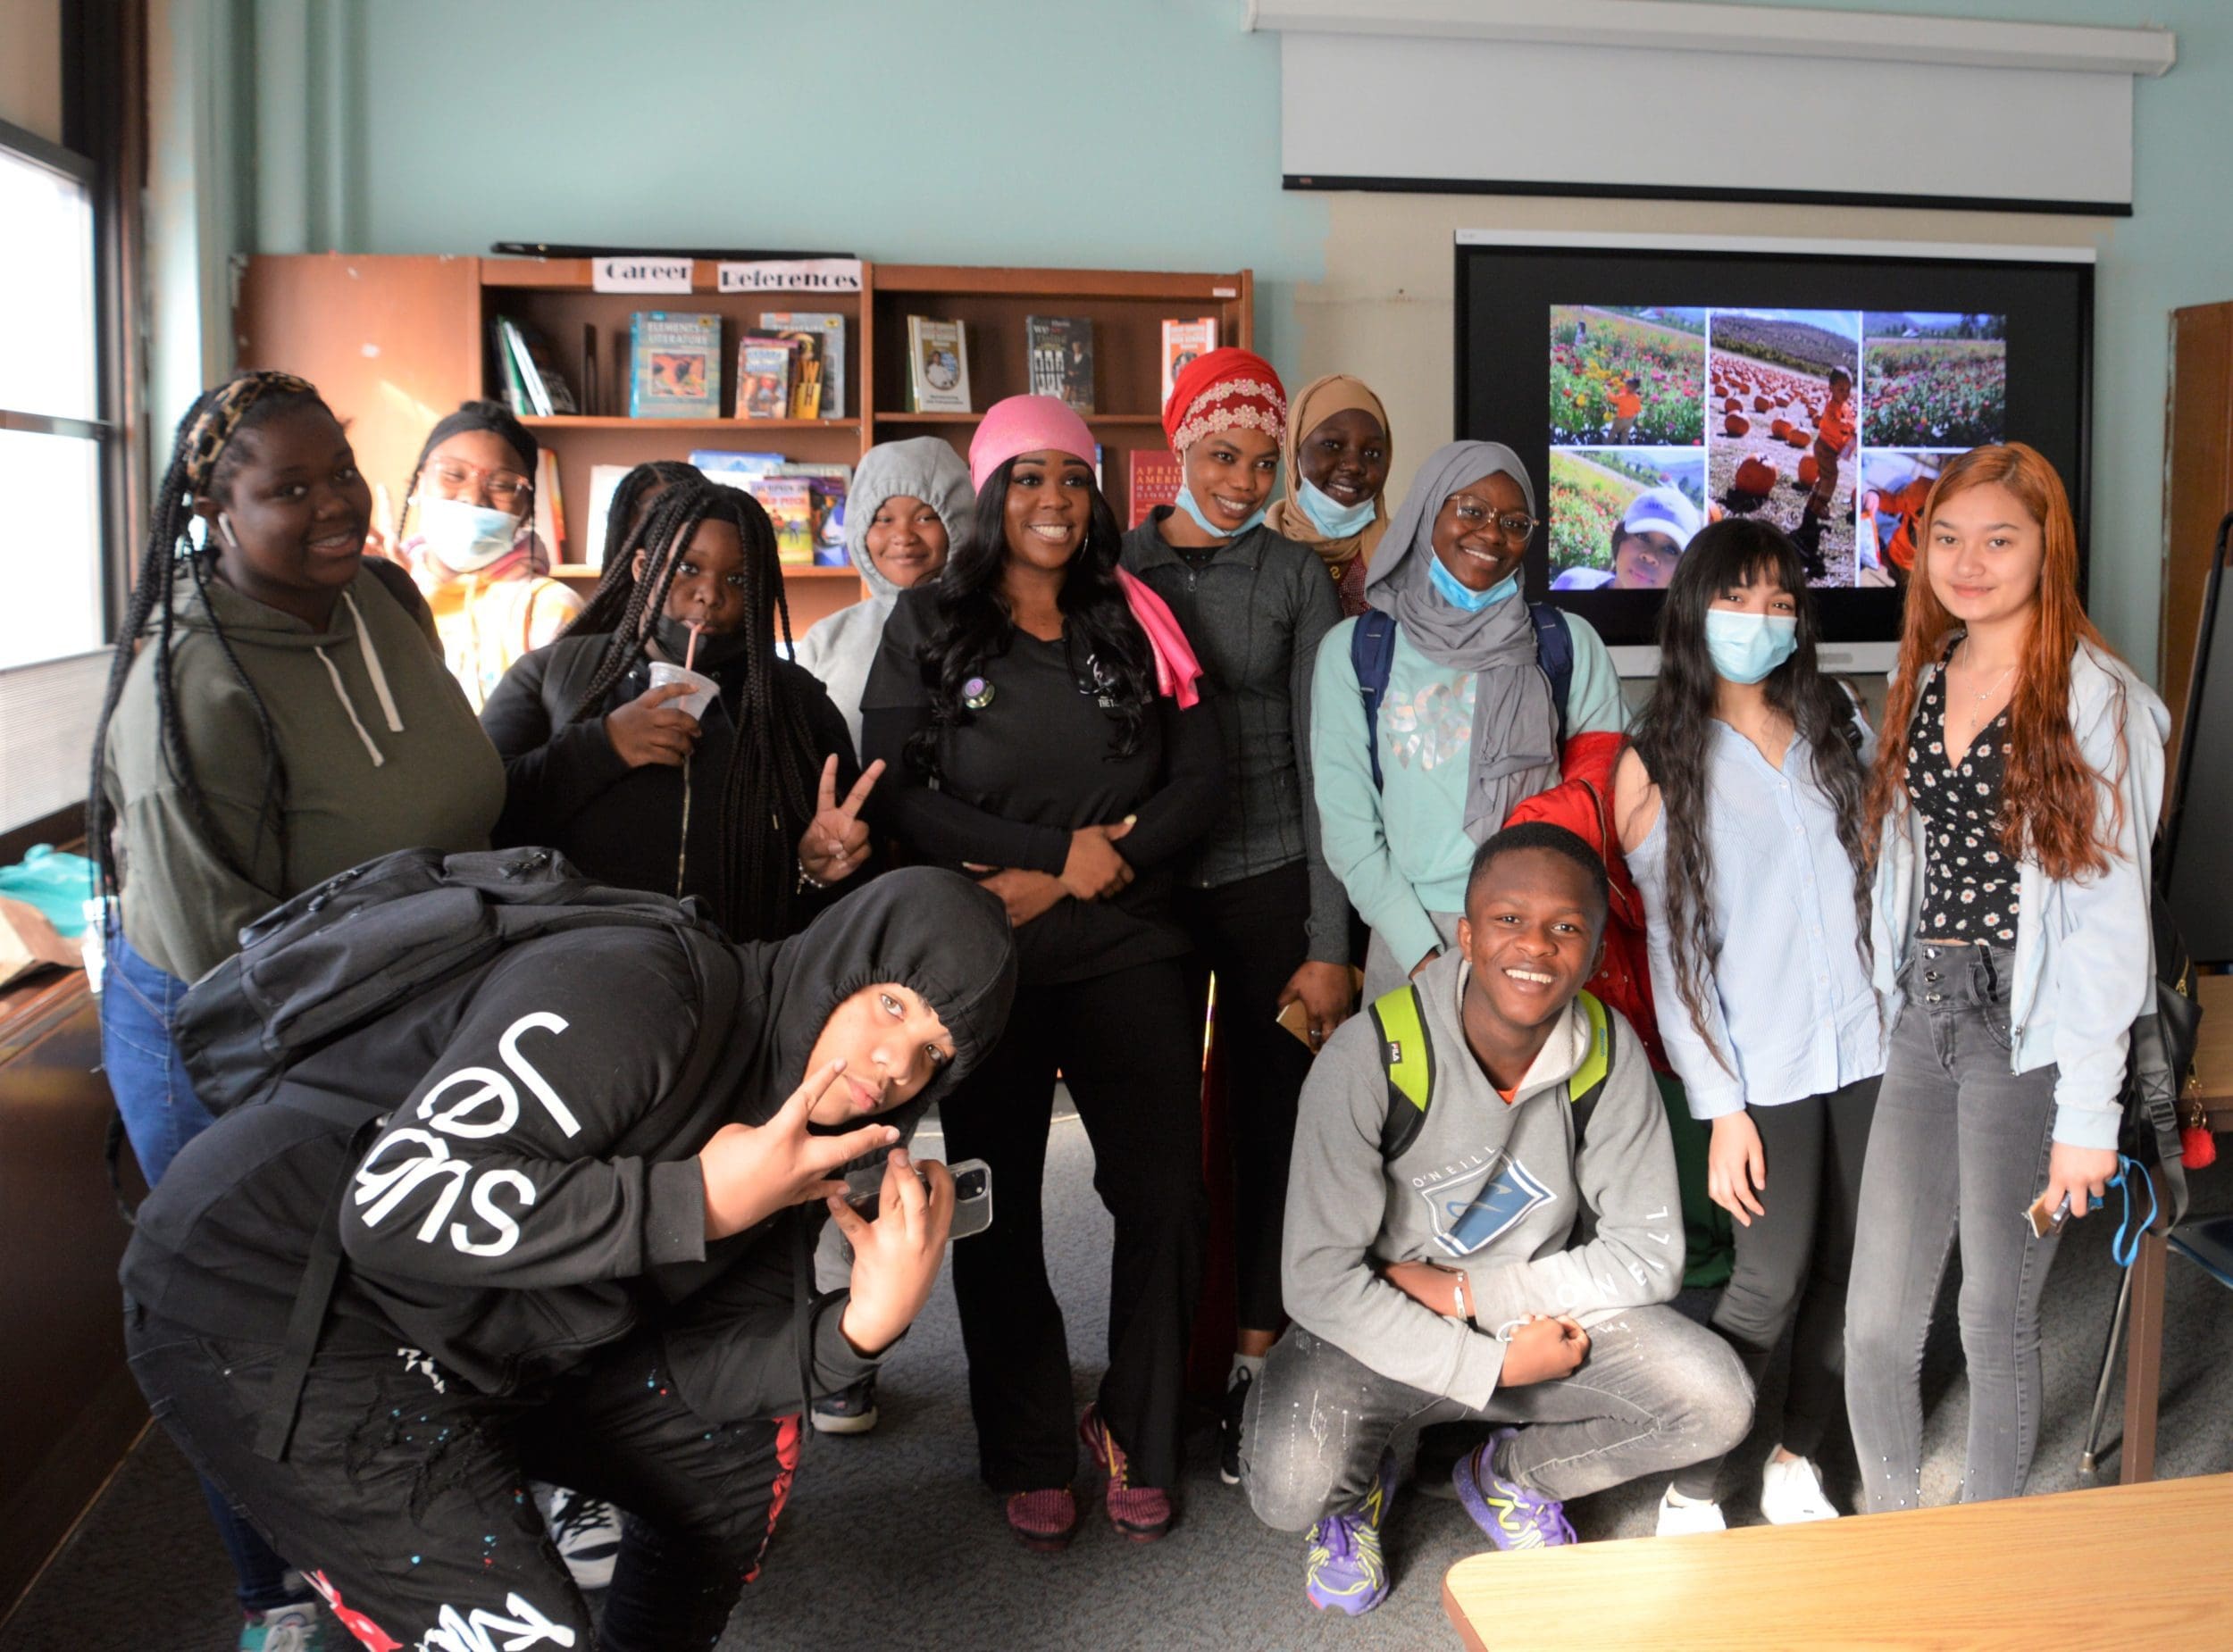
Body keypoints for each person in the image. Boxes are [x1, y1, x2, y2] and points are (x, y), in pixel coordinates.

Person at [120, 867, 1016, 1652]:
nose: (897, 1061)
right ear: (843, 957)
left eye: (935, 1049)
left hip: (474, 1336)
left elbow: (710, 1373)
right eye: (892, 1003)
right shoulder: (643, 984)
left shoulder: (797, 1129)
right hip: (268, 1288)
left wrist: (866, 1322)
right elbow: (393, 1204)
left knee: (735, 1463)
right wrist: (695, 1199)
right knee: (528, 1634)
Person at [91, 371, 506, 1650]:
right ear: (216, 508)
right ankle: (279, 1601)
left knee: (384, 1316)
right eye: (289, 487)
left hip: (383, 1011)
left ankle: (401, 1575)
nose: (334, 503)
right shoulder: (192, 689)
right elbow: (225, 973)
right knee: (259, 1333)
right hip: (227, 1048)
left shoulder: (380, 598)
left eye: (342, 471)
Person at [861, 395, 1224, 1551]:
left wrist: (1078, 868)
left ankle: (1139, 1425)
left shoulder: (1140, 614)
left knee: (1163, 1194)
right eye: (1027, 478)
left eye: (1072, 477)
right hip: (985, 954)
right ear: (988, 492)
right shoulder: (929, 620)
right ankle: (1025, 1441)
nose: (1054, 500)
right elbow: (900, 787)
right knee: (996, 1202)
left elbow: (1203, 783)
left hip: (1129, 942)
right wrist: (1040, 857)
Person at [1242, 824, 1752, 1615]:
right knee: (1287, 1490)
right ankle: (1355, 1495)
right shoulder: (1372, 1056)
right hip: (1382, 1328)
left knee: (1717, 1401)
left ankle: (1510, 1476)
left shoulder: (1607, 1053)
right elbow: (1318, 1280)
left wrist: (1472, 1300)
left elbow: (1650, 1258)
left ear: (1593, 953)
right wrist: (1483, 1368)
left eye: (1567, 927)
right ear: (1467, 934)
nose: (1537, 946)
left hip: (1535, 1325)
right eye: (1509, 920)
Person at [1845, 442, 2167, 1511]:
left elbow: (2109, 928)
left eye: (1998, 539)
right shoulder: (1923, 679)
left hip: (2021, 1030)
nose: (1967, 561)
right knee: (1879, 1320)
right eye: (1946, 537)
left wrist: (2088, 1108)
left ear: (2046, 550)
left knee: (1993, 1314)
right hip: (1921, 1017)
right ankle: (1892, 1537)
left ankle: (1989, 1554)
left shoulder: (2096, 697)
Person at [1613, 519, 1882, 1533]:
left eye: (1780, 602)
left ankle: (1793, 1455)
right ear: (1692, 610)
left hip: (1863, 1043)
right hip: (1757, 1065)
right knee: (1766, 1281)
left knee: (1850, 1269)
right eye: (1736, 599)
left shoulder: (1835, 721)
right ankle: (1697, 1482)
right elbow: (1675, 964)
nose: (1759, 620)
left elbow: (1876, 880)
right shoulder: (1655, 760)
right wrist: (1719, 1107)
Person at [1120, 347, 1351, 1483]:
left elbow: (1325, 764)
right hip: (1153, 888)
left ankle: (1258, 1361)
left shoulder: (1295, 577)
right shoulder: (1118, 564)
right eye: (1220, 454)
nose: (1242, 478)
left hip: (1270, 879)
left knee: (1274, 1134)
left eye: (1263, 461)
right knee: (1160, 1153)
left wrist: (1325, 940)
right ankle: (1157, 1382)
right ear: (1179, 450)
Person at [481, 478, 870, 944]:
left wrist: (814, 872)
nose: (710, 594)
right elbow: (484, 818)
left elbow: (837, 892)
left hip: (742, 974)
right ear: (643, 568)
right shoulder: (551, 673)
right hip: (571, 964)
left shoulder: (797, 702)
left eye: (738, 579)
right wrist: (603, 745)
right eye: (688, 567)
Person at [1311, 440, 1627, 1004]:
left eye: (1514, 521)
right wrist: (1422, 953)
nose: (1491, 534)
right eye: (1471, 510)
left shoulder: (1567, 645)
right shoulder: (1358, 652)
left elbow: (1602, 805)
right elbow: (1350, 829)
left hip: (1542, 940)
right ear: (1429, 509)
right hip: (1412, 936)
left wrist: (1543, 932)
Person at [392, 400, 583, 707]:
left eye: (503, 485)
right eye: (453, 475)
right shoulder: (378, 593)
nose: (474, 498)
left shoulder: (549, 609)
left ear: (525, 511)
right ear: (417, 485)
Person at [792, 437, 974, 749]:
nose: (903, 537)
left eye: (924, 517)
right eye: (884, 519)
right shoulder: (825, 641)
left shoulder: (990, 628)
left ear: (958, 520)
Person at [1262, 373, 1394, 617]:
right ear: (1295, 449)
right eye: (1332, 445)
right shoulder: (1253, 556)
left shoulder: (1406, 559)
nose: (1354, 465)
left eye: (1373, 453)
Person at [1551, 485, 1702, 590]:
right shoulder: (1571, 582)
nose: (1650, 556)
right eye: (1642, 536)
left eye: (1670, 549)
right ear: (1620, 539)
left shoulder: (1684, 631)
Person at [1793, 368, 1857, 571]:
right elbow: (1837, 424)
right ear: (1831, 389)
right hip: (1824, 448)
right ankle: (1820, 505)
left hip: (1830, 449)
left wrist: (1852, 427)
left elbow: (1849, 420)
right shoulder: (1831, 408)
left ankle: (1812, 505)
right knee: (1831, 477)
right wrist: (1850, 428)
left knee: (1824, 478)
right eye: (1841, 389)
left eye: (1848, 389)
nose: (1845, 393)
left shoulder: (1843, 405)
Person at [1610, 375, 1643, 443]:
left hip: (1621, 419)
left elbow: (1613, 399)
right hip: (1630, 420)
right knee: (1625, 434)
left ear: (1630, 387)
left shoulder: (1623, 396)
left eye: (1626, 385)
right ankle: (1624, 446)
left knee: (1613, 432)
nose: (1625, 386)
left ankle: (1607, 445)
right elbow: (1638, 409)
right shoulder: (1637, 398)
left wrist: (1608, 391)